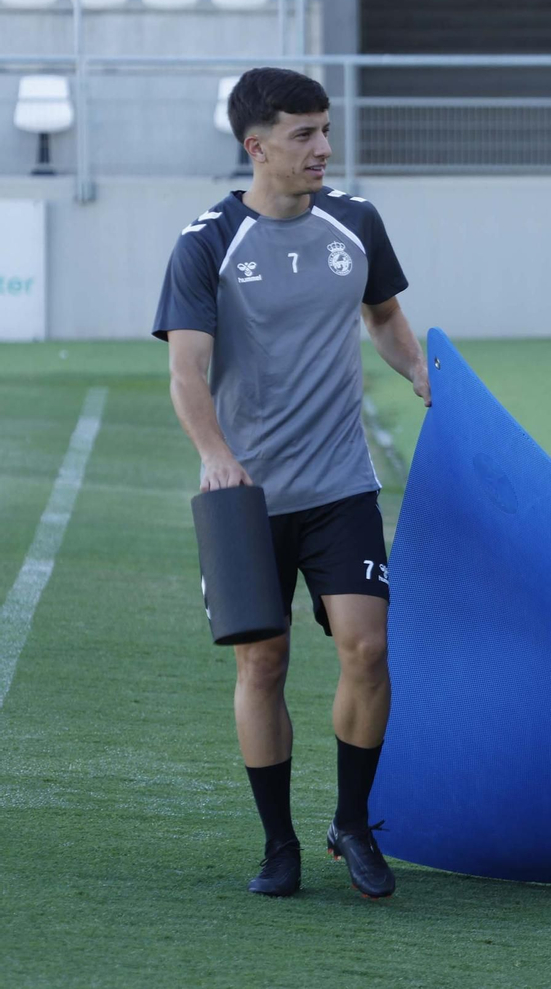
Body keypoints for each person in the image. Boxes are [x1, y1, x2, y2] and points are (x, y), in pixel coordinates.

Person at [152, 68, 429, 899]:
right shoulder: (206, 243)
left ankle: (352, 822)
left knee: (369, 647)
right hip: (244, 501)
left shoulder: (356, 222)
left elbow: (383, 316)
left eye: (325, 130)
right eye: (304, 134)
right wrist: (214, 453)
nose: (324, 149)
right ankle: (280, 844)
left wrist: (419, 372)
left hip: (342, 484)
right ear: (256, 146)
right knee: (262, 664)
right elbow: (186, 369)